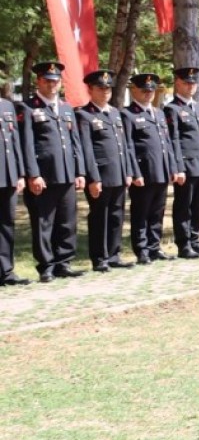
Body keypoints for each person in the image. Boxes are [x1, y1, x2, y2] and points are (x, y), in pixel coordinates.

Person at [19, 61, 88, 281]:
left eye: (55, 81)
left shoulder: (67, 108)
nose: (52, 85)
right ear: (39, 81)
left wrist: (80, 172)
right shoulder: (28, 108)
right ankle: (46, 266)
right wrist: (33, 174)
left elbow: (75, 142)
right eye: (47, 81)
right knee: (43, 222)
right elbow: (27, 144)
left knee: (67, 221)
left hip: (67, 173)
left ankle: (63, 262)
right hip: (44, 176)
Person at [76, 69, 139, 271]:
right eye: (100, 88)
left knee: (116, 215)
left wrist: (128, 171)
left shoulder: (115, 113)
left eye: (108, 88)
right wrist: (93, 178)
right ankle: (100, 258)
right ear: (90, 89)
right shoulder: (84, 115)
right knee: (99, 216)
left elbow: (124, 145)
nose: (105, 92)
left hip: (119, 174)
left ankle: (114, 254)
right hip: (100, 176)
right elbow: (86, 149)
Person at [123, 72, 178, 264]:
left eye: (151, 90)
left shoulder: (159, 113)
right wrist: (134, 173)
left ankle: (155, 246)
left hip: (161, 171)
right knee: (141, 212)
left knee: (157, 212)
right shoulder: (128, 114)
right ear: (135, 91)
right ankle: (142, 249)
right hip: (143, 172)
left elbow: (167, 143)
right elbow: (128, 146)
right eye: (144, 90)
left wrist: (172, 167)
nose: (148, 94)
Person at [165, 66, 199, 258]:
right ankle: (184, 243)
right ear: (177, 83)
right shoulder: (172, 109)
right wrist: (178, 167)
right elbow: (174, 140)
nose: (190, 86)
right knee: (183, 205)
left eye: (193, 83)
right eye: (186, 82)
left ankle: (195, 239)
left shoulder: (197, 107)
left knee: (197, 205)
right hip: (186, 166)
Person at [0, 69, 29, 285]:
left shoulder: (7, 105)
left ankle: (6, 271)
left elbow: (15, 142)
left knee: (7, 224)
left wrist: (19, 173)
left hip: (8, 176)